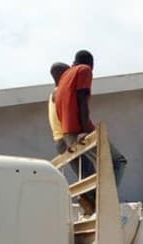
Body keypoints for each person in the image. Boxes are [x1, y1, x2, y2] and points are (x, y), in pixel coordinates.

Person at [55, 49, 127, 213]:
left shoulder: (64, 78)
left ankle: (92, 198)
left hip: (67, 133)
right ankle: (105, 200)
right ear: (91, 65)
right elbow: (82, 100)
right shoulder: (84, 70)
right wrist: (86, 130)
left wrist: (68, 135)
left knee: (97, 166)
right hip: (80, 131)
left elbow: (60, 107)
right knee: (118, 161)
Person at [48, 62, 93, 180]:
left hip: (60, 139)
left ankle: (85, 197)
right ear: (60, 75)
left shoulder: (53, 93)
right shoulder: (59, 92)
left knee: (84, 173)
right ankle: (87, 197)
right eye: (67, 73)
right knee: (88, 173)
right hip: (66, 138)